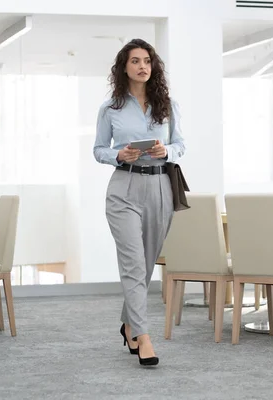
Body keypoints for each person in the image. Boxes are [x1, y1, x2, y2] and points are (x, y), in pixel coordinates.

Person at [93, 38, 185, 367]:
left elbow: (180, 144)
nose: (142, 66)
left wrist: (167, 151)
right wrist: (118, 154)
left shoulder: (168, 105)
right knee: (133, 264)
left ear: (153, 66)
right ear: (124, 67)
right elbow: (98, 149)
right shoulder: (111, 108)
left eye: (147, 60)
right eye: (135, 61)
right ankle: (144, 337)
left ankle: (129, 324)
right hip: (124, 187)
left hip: (160, 184)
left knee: (145, 264)